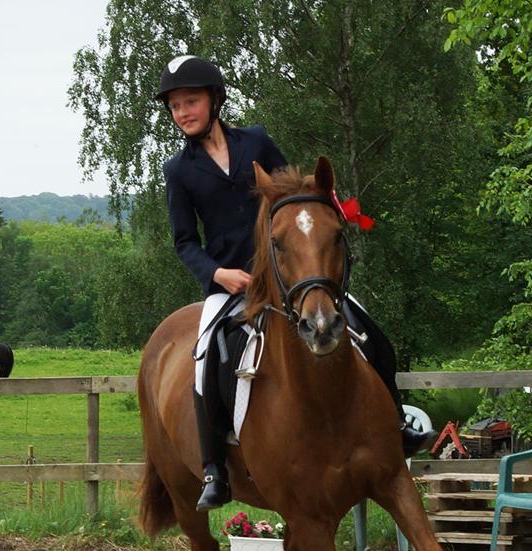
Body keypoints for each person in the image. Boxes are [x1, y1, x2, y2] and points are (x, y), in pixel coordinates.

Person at [156, 55, 435, 512]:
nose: (183, 112)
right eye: (175, 106)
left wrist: (323, 215)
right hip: (232, 285)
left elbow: (295, 191)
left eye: (191, 101)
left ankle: (397, 424)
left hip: (293, 275)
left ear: (215, 100)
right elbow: (185, 242)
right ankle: (214, 469)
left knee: (368, 329)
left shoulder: (256, 141)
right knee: (207, 357)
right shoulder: (178, 171)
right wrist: (218, 274)